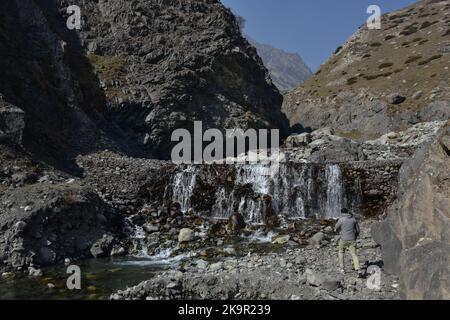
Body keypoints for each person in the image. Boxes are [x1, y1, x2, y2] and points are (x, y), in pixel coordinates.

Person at [335, 208, 362, 276]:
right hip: (352, 240)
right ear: (348, 212)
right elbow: (358, 231)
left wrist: (338, 231)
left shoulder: (341, 219)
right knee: (354, 254)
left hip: (343, 239)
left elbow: (336, 227)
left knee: (341, 252)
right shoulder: (353, 220)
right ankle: (358, 269)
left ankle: (342, 269)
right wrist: (355, 237)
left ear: (342, 213)